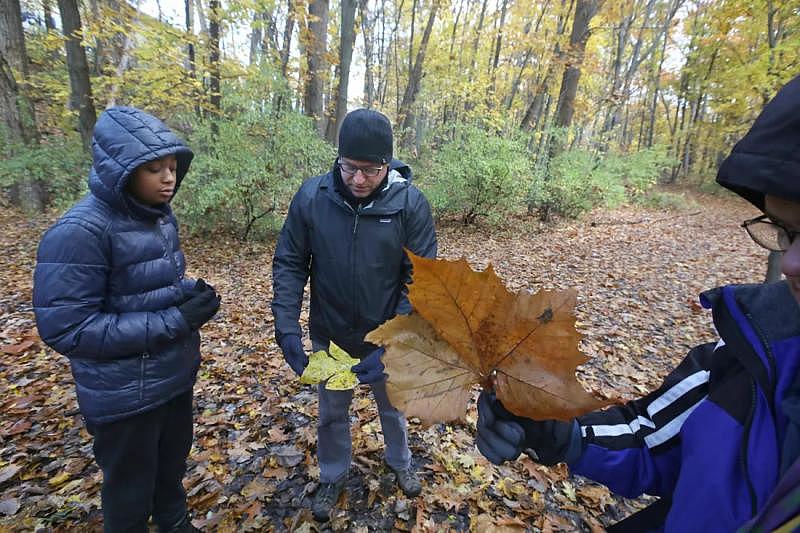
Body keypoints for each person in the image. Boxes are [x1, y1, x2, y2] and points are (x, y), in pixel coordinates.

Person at [475, 74, 800, 532]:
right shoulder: (747, 360)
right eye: (787, 231)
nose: (789, 263)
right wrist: (556, 431)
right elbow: (653, 440)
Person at [33, 107, 221, 533]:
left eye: (172, 167)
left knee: (170, 472)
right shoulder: (80, 232)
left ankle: (176, 525)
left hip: (172, 380)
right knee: (130, 494)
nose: (168, 178)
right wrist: (175, 319)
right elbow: (68, 328)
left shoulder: (156, 216)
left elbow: (146, 286)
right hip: (124, 396)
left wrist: (189, 295)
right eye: (154, 168)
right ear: (122, 169)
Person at [271, 108, 437, 521]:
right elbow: (290, 263)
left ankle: (400, 462)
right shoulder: (313, 197)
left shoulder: (410, 205)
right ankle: (333, 474)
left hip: (387, 332)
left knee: (393, 406)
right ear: (338, 159)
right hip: (332, 332)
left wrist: (392, 341)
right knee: (331, 412)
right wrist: (286, 329)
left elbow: (421, 280)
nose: (358, 179)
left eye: (370, 169)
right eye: (349, 167)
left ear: (387, 163)